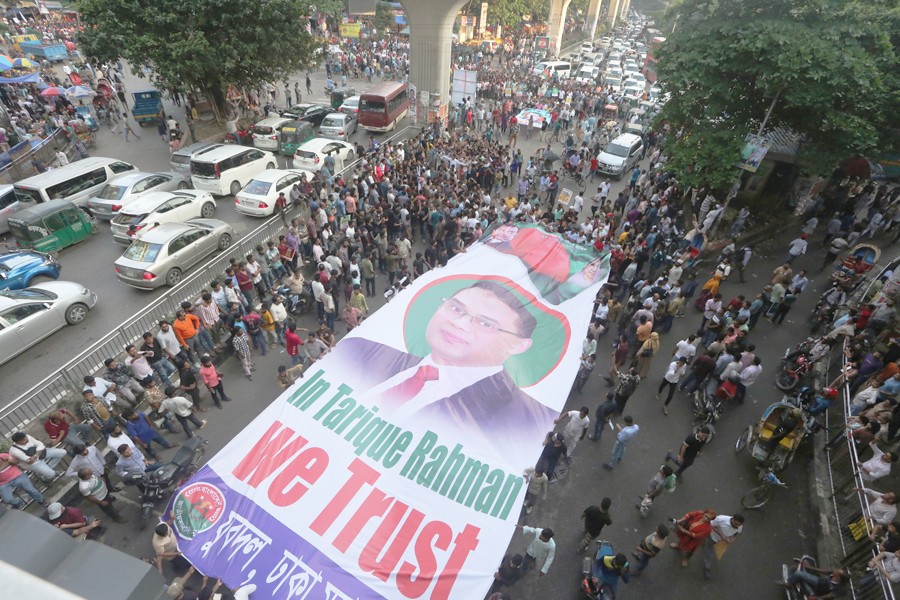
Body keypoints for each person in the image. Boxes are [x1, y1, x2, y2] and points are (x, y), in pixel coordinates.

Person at [323, 280, 558, 460]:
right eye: (456, 309)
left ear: (518, 345)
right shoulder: (362, 351)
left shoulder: (521, 421)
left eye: (485, 324)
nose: (459, 323)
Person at [703, 513, 744, 578]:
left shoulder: (739, 525)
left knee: (710, 549)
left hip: (722, 541)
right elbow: (711, 525)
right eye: (736, 524)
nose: (737, 526)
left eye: (739, 525)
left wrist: (733, 537)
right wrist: (721, 535)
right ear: (733, 519)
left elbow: (737, 532)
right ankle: (707, 567)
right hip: (713, 537)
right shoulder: (721, 519)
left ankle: (704, 540)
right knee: (709, 551)